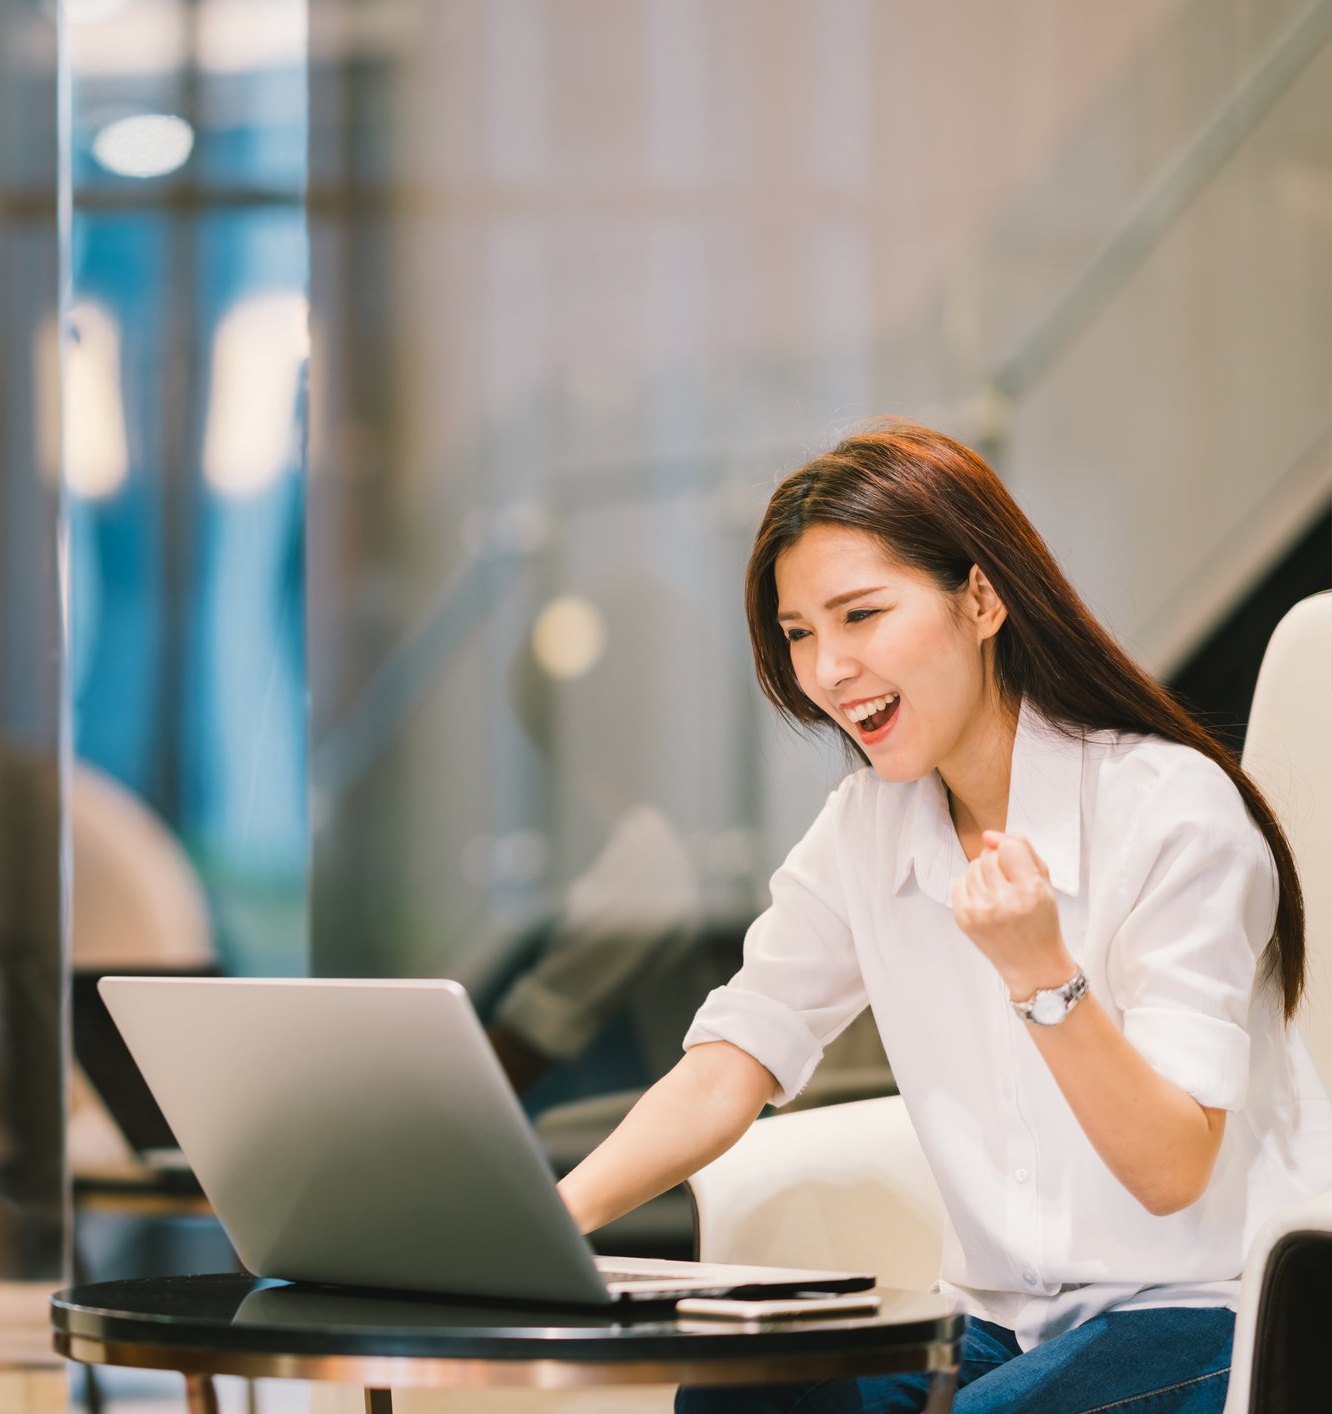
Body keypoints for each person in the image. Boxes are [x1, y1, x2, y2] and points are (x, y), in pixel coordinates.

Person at [555, 421, 1332, 1413]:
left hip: (1218, 1313)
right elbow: (728, 1065)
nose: (828, 668)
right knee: (735, 1396)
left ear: (981, 598)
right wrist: (545, 1228)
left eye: (860, 614)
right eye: (799, 632)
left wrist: (1041, 974)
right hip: (1001, 1324)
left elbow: (1171, 1167)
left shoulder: (1170, 811)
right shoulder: (864, 825)